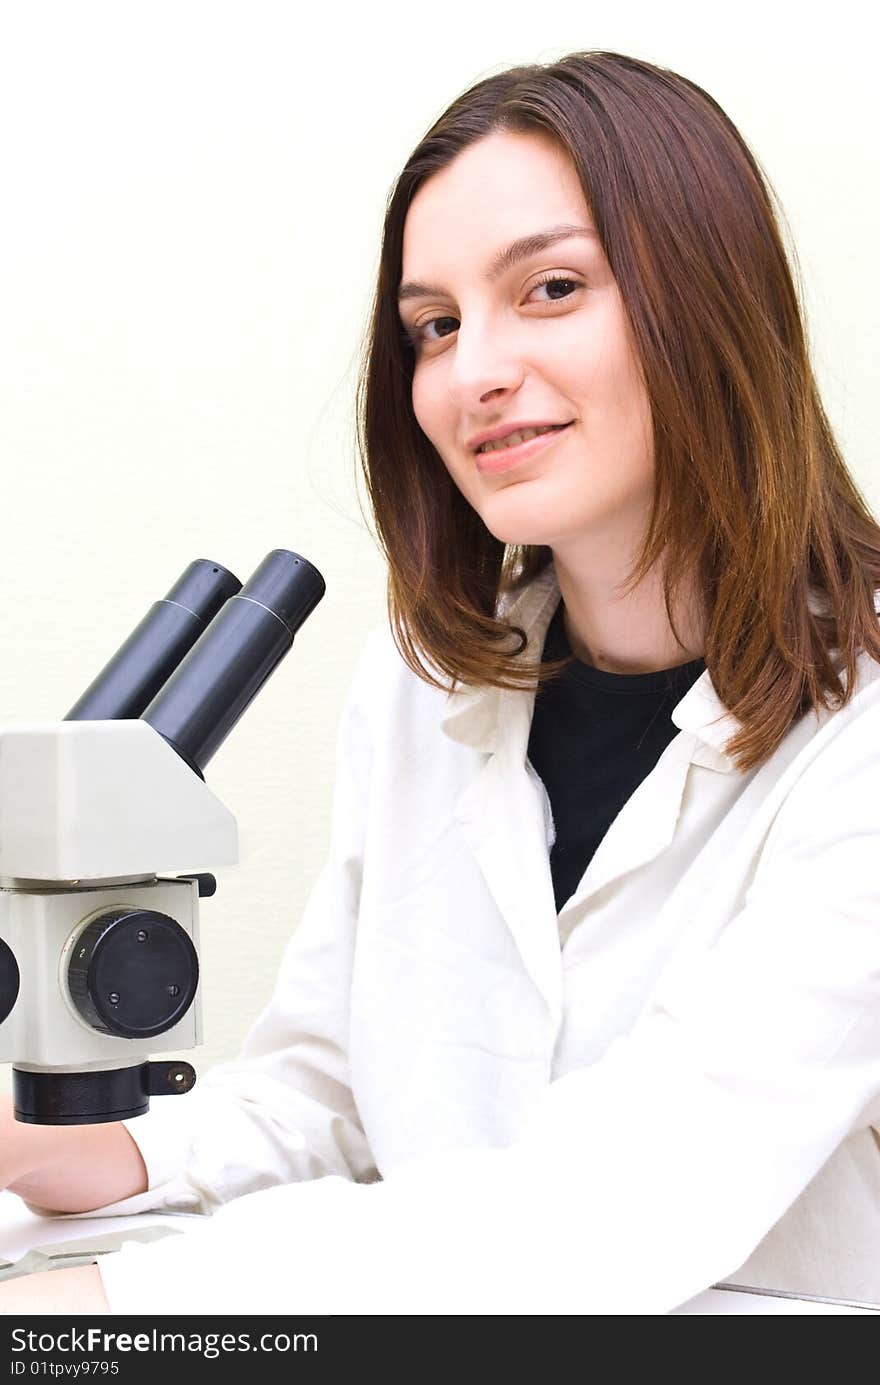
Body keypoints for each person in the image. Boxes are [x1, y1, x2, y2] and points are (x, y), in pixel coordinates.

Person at [2, 48, 880, 1316]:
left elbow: (625, 1206)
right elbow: (331, 1093)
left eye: (552, 287)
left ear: (708, 297)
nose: (473, 373)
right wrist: (92, 1152)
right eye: (435, 325)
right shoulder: (422, 684)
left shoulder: (858, 727)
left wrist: (105, 1303)